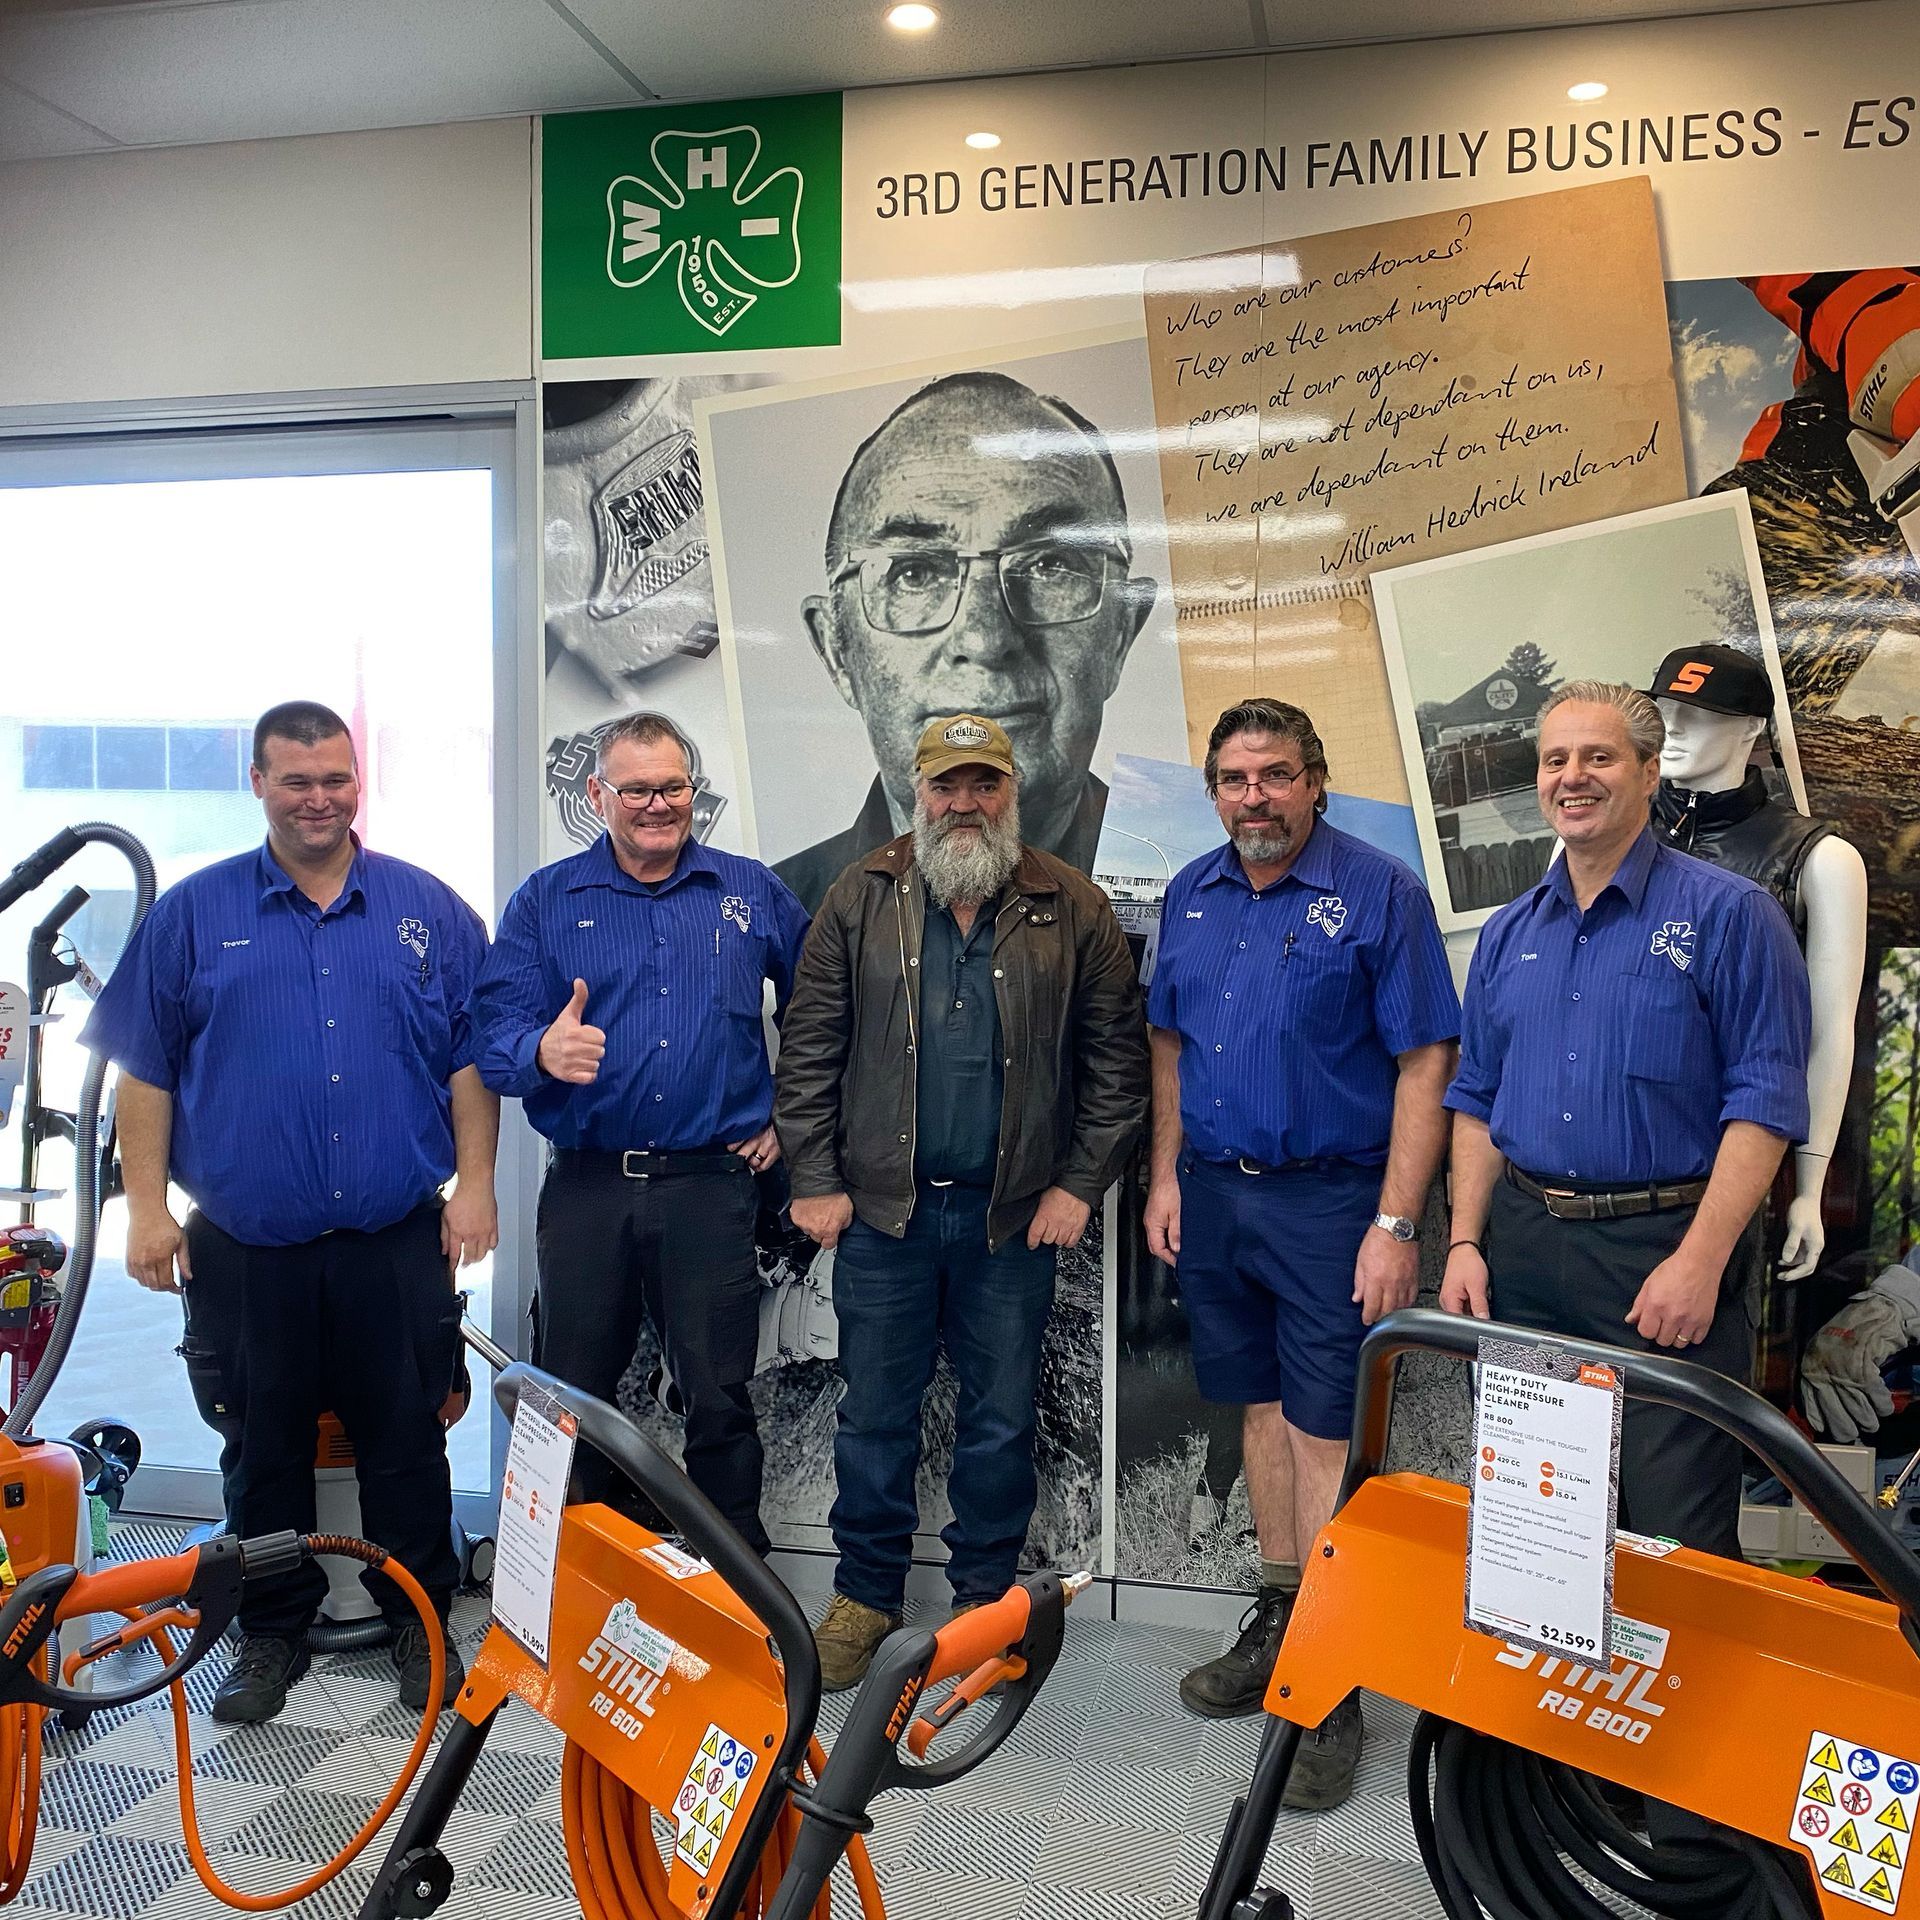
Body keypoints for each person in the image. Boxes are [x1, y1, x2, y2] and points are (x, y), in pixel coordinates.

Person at [81, 701, 496, 1724]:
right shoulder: (192, 915)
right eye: (297, 779)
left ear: (358, 781)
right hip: (246, 1248)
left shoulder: (427, 911)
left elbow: (471, 1060)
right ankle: (268, 1632)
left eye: (336, 778)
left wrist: (477, 1187)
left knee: (406, 1438)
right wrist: (145, 1210)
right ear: (258, 783)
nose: (320, 797)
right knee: (260, 1450)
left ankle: (421, 1620)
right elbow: (144, 1070)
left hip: (396, 1241)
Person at [774, 713, 1147, 1688]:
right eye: (947, 787)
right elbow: (809, 1046)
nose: (964, 805)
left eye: (984, 785)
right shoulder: (861, 895)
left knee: (998, 1419)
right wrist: (812, 1179)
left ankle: (984, 1604)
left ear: (1010, 792)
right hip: (884, 1219)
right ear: (918, 793)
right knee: (875, 1416)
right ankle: (864, 1598)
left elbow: (1118, 1069)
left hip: (1011, 1219)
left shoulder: (1073, 908)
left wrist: (1077, 1184)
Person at [1143, 697, 1459, 1805]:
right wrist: (1166, 1174)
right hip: (1220, 1201)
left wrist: (1396, 1222)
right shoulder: (1191, 893)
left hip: (1335, 1207)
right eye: (1234, 778)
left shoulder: (1381, 894)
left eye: (1275, 775)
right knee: (1263, 1414)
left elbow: (1427, 1064)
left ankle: (1332, 1684)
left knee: (1327, 1432)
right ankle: (1278, 1623)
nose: (1254, 798)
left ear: (1314, 781)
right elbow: (1169, 1047)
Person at [1441, 680, 1812, 1557]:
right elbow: (1475, 1100)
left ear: (1650, 772)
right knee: (1535, 1522)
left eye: (1599, 757)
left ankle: (1670, 1698)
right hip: (1527, 1253)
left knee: (1673, 1531)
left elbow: (1764, 1106)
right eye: (1555, 759)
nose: (1574, 777)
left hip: (1664, 1255)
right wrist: (1463, 1243)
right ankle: (1537, 1697)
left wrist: (1702, 1260)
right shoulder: (1506, 934)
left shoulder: (1731, 916)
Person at [471, 711, 808, 1552]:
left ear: (693, 791)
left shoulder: (748, 890)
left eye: (673, 787)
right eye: (636, 789)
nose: (657, 805)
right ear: (597, 796)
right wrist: (541, 1049)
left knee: (721, 1397)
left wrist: (789, 1115)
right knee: (570, 1396)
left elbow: (826, 1011)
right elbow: (491, 1042)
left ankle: (738, 1591)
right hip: (589, 1187)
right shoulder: (547, 901)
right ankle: (573, 1575)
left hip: (711, 1186)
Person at [774, 371, 1159, 910]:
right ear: (837, 649)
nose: (983, 637)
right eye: (912, 572)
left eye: (1050, 565)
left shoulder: (1191, 900)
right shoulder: (783, 913)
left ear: (1121, 631)